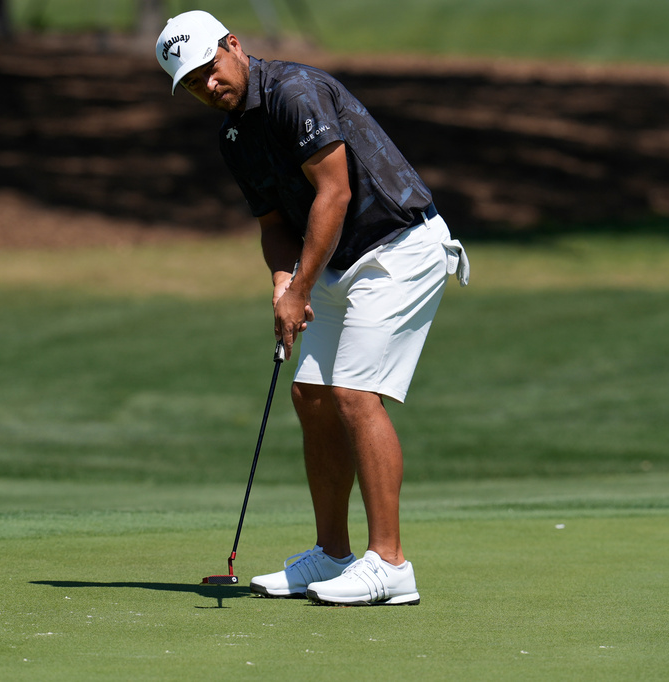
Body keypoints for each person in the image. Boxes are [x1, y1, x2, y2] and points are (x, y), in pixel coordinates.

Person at [156, 10, 468, 606]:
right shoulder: (233, 137)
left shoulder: (294, 92)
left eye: (208, 69)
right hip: (333, 258)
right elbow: (274, 222)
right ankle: (332, 555)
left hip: (398, 245)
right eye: (191, 83)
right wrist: (282, 285)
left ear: (233, 46)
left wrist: (301, 288)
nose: (207, 86)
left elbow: (336, 190)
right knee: (312, 393)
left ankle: (391, 565)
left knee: (354, 392)